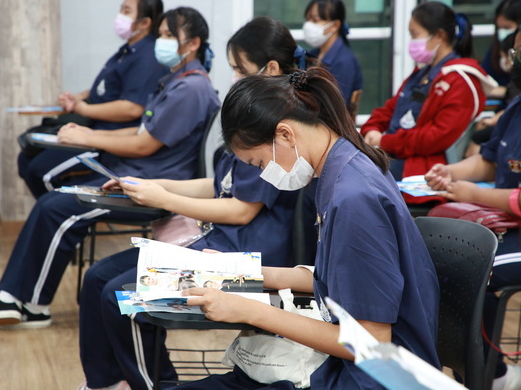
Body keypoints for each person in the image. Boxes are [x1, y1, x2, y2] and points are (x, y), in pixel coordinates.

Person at [76, 16, 312, 390]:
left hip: (245, 256)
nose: (234, 77)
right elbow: (220, 186)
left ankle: (156, 384)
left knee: (122, 298)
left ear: (270, 69)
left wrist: (166, 198)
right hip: (219, 241)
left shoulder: (274, 130)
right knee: (97, 278)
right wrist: (151, 185)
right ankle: (105, 381)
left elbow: (241, 209)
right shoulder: (257, 117)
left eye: (240, 69)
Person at [169, 67, 440, 390]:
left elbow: (371, 341)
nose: (264, 174)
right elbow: (337, 280)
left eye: (259, 163)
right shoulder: (341, 169)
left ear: (285, 135)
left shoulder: (352, 198)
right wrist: (246, 273)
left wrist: (249, 310)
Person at [0, 6, 220, 330]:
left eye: (168, 35)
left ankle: (26, 304)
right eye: (161, 34)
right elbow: (141, 131)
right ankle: (18, 299)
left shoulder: (191, 89)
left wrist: (89, 137)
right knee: (51, 199)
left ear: (192, 43)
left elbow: (144, 145)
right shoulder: (176, 81)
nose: (160, 41)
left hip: (150, 188)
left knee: (56, 208)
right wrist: (85, 134)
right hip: (131, 176)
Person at [425, 27, 521, 390]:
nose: (514, 61)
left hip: (514, 229)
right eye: (515, 53)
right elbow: (489, 161)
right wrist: (451, 173)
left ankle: (491, 376)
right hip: (506, 226)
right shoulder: (516, 109)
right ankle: (479, 372)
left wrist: (474, 194)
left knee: (472, 270)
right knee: (434, 261)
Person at [17, 0, 168, 199]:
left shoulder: (147, 55)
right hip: (92, 128)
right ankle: (50, 209)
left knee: (40, 171)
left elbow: (132, 108)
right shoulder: (127, 50)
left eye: (126, 11)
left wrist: (84, 109)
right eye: (121, 10)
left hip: (109, 136)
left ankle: (56, 211)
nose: (120, 16)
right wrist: (77, 98)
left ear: (144, 23)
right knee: (26, 157)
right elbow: (105, 87)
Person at [360, 1, 495, 204]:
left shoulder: (461, 80)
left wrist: (385, 142)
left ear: (439, 35)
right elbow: (390, 108)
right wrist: (372, 129)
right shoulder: (423, 72)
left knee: (356, 181)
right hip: (396, 154)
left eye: (415, 35)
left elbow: (437, 137)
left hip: (422, 167)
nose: (411, 42)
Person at [302, 0, 362, 115]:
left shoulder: (344, 62)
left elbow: (335, 107)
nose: (309, 25)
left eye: (315, 20)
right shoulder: (314, 55)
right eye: (308, 19)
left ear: (335, 25)